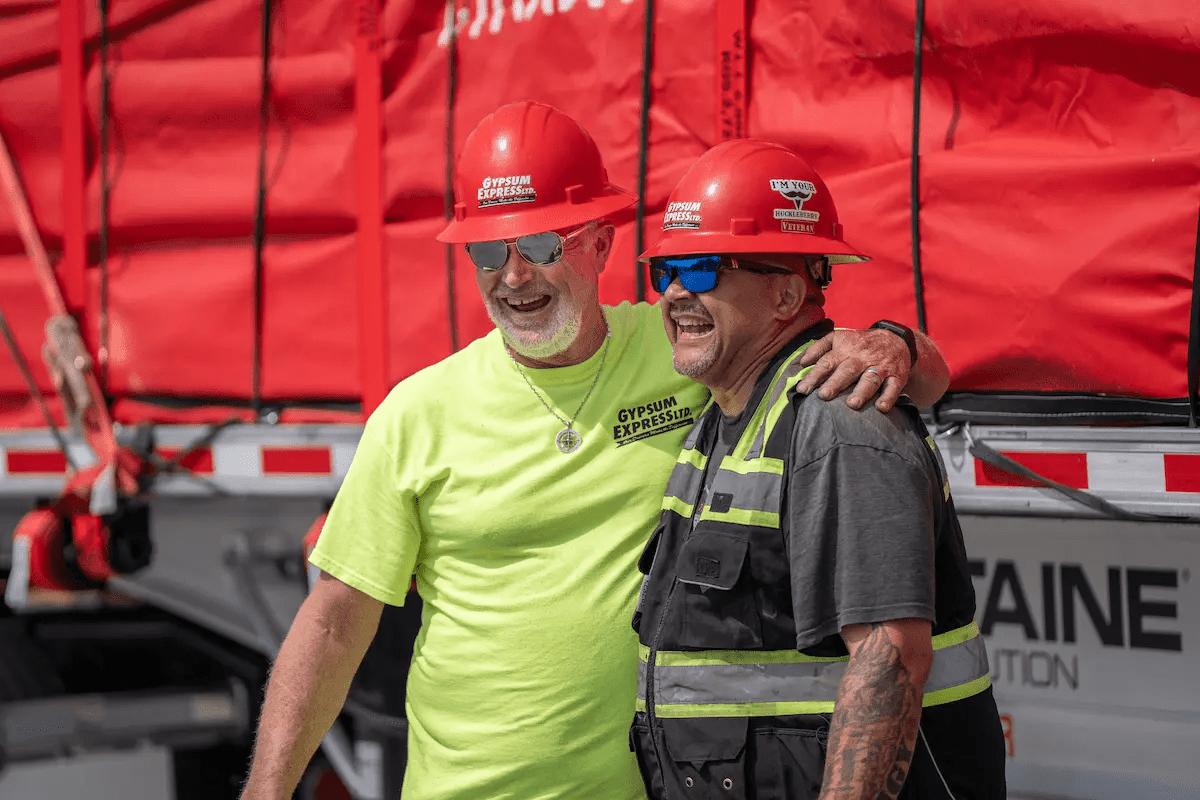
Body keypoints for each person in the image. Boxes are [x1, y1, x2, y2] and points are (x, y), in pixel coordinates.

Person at [240, 102, 952, 800]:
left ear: (601, 244)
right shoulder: (416, 414)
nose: (514, 276)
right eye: (490, 251)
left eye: (543, 246)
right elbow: (335, 623)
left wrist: (893, 341)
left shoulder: (685, 350)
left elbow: (869, 361)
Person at [628, 139, 1005, 800]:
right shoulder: (722, 411)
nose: (677, 292)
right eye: (666, 271)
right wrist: (903, 341)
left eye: (705, 267)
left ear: (786, 295)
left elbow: (889, 660)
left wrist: (894, 343)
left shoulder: (841, 423)